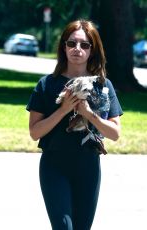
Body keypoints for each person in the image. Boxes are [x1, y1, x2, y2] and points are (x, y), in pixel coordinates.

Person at [26, 19, 123, 230]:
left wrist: (89, 114)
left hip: (88, 167)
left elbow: (115, 133)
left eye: (84, 45)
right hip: (54, 166)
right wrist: (63, 110)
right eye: (71, 43)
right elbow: (35, 133)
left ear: (92, 50)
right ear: (64, 46)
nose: (77, 49)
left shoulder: (103, 86)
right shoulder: (47, 84)